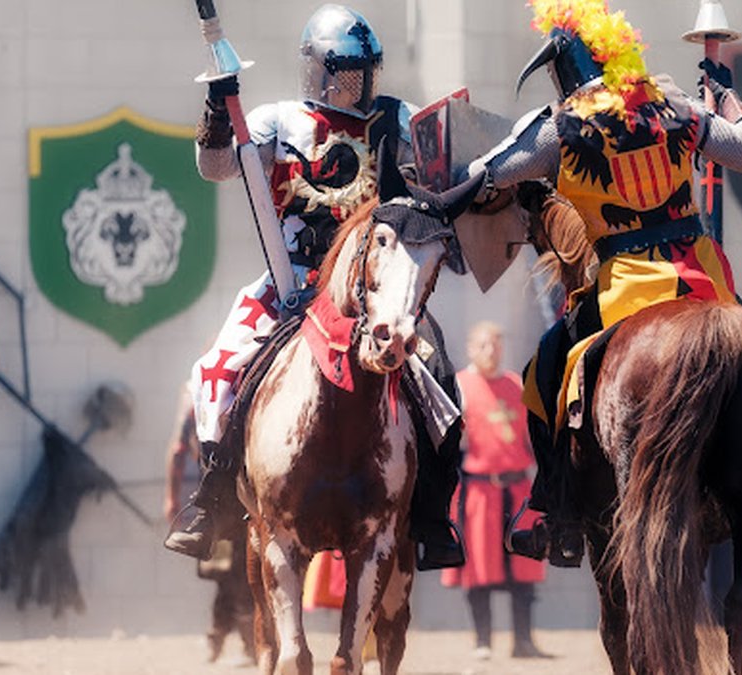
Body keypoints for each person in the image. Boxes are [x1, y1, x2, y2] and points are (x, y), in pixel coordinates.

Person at [464, 0, 742, 567]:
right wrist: (728, 99)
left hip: (624, 289)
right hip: (700, 279)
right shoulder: (675, 106)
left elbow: (489, 172)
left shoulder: (561, 129)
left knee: (544, 371)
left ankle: (555, 512)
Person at [164, 3, 465, 572]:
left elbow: (442, 173)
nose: (362, 84)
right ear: (320, 70)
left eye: (367, 72)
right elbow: (218, 167)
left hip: (374, 288)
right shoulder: (280, 122)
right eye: (349, 72)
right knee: (218, 370)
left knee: (441, 378)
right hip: (292, 279)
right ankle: (215, 496)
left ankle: (431, 512)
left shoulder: (397, 121)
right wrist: (217, 110)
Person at [441, 322, 550, 660]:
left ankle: (523, 642)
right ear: (472, 348)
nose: (491, 352)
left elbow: (532, 439)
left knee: (524, 566)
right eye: (484, 345)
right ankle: (483, 641)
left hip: (517, 488)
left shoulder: (516, 385)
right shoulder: (459, 387)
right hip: (479, 491)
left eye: (496, 345)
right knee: (479, 568)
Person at [163, 390, 256, 665]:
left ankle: (223, 637)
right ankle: (239, 640)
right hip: (228, 500)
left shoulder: (205, 389)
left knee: (233, 572)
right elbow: (178, 450)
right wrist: (171, 497)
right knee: (233, 572)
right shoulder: (201, 392)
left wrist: (172, 497)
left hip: (229, 499)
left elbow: (178, 451)